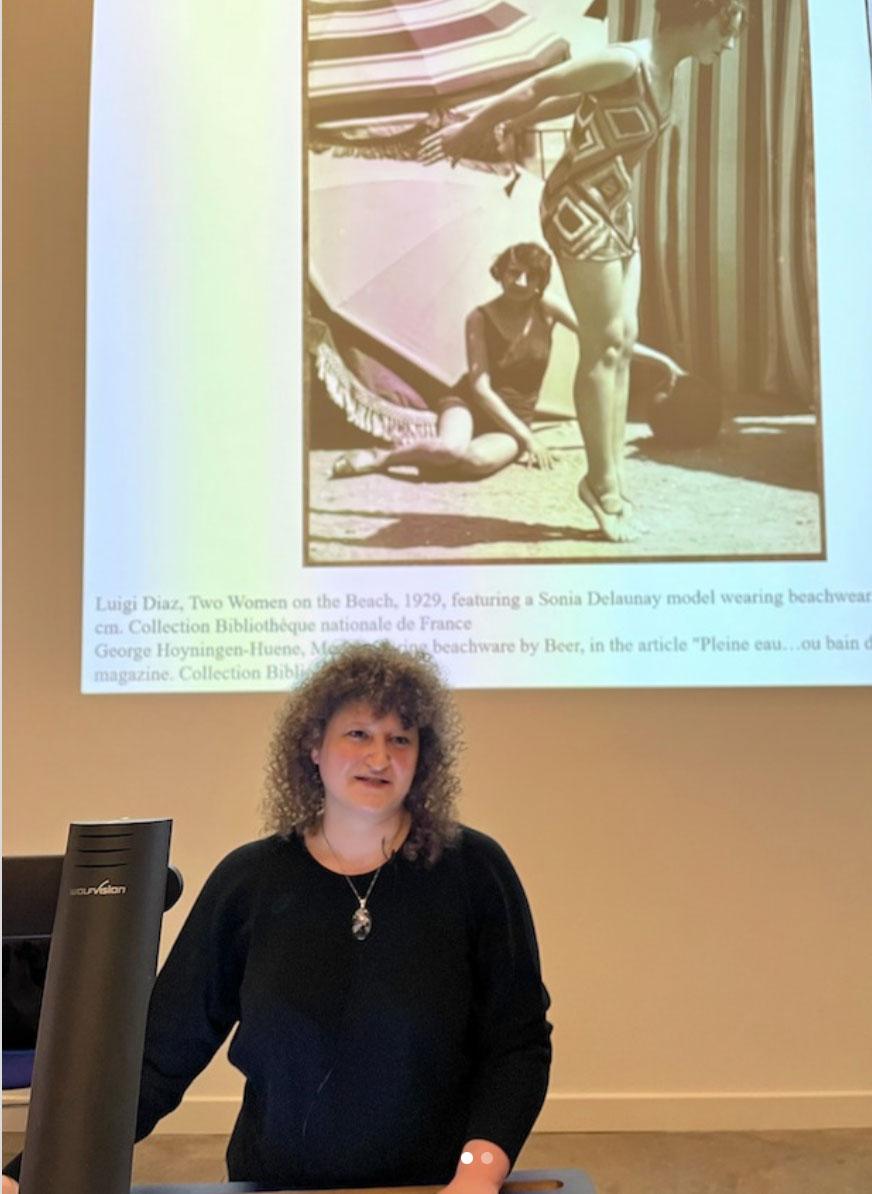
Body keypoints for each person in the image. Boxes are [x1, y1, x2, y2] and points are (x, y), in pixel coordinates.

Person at [3, 642, 551, 1192]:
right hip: (275, 1183)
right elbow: (157, 1060)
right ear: (313, 745)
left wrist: (478, 1173)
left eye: (400, 739)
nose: (379, 757)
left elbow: (518, 1042)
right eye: (358, 734)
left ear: (422, 759)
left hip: (436, 1186)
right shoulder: (249, 881)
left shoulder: (475, 871)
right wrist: (28, 1176)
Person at [421, 0, 747, 542]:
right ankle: (601, 485)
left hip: (614, 209)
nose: (729, 43)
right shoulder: (626, 61)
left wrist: (520, 123)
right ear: (699, 14)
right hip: (577, 206)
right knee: (602, 347)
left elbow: (576, 99)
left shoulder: (662, 72)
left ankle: (611, 477)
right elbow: (539, 85)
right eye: (726, 28)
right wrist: (469, 130)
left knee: (622, 341)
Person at [332, 243, 575, 480]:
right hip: (469, 403)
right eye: (514, 272)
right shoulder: (479, 318)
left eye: (531, 276)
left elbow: (592, 332)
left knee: (475, 461)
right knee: (449, 450)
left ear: (541, 282)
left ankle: (431, 454)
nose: (521, 282)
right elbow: (480, 390)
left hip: (514, 417)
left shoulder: (546, 308)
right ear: (500, 273)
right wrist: (530, 439)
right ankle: (383, 457)